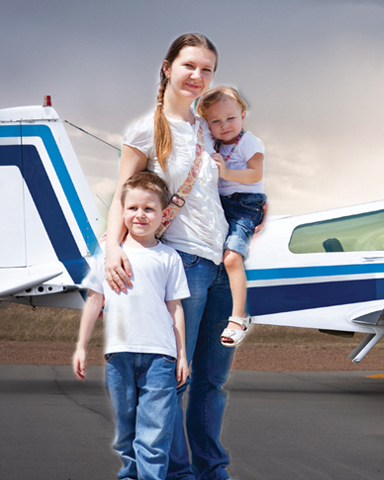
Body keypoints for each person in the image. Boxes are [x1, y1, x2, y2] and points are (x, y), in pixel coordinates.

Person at [104, 33, 235, 480]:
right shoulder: (145, 128)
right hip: (181, 265)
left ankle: (211, 470)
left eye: (207, 69)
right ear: (167, 67)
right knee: (173, 379)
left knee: (212, 382)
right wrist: (111, 251)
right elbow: (124, 197)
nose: (198, 77)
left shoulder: (208, 126)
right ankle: (179, 474)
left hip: (221, 266)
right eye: (189, 66)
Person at [73, 171, 190, 480]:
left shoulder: (169, 258)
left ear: (163, 214)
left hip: (160, 358)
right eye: (133, 208)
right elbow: (94, 301)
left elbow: (175, 307)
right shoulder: (108, 259)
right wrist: (81, 347)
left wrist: (181, 355)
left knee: (154, 434)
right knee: (126, 434)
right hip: (119, 355)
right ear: (121, 211)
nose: (140, 215)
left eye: (149, 209)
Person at [197, 86, 267, 347]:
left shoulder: (248, 141)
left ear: (243, 115)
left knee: (232, 257)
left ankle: (239, 317)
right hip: (223, 204)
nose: (224, 125)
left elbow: (255, 174)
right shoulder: (216, 144)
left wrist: (225, 173)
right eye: (215, 121)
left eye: (230, 118)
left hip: (245, 205)